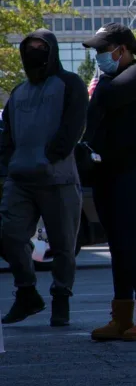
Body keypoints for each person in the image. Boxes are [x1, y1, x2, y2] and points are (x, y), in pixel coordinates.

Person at [82, 23, 136, 342]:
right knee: (117, 246)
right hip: (109, 170)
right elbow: (90, 118)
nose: (101, 58)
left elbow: (108, 97)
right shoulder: (107, 79)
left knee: (132, 244)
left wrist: (98, 88)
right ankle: (121, 317)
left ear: (122, 49)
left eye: (105, 51)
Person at [0, 31, 88, 327]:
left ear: (53, 51)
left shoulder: (70, 84)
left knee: (63, 246)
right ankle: (27, 293)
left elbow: (74, 126)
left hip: (58, 179)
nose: (34, 53)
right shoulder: (18, 92)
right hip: (20, 179)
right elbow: (7, 135)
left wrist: (52, 155)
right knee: (8, 235)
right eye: (29, 48)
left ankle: (60, 300)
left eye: (41, 47)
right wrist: (9, 165)